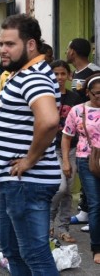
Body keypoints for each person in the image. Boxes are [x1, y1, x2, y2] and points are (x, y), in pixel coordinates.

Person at [0, 14, 61, 275]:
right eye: (1, 43)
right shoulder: (22, 73)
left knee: (34, 253)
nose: (3, 50)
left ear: (30, 45)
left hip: (28, 183)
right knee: (13, 250)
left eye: (10, 44)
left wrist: (29, 160)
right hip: (13, 182)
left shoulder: (34, 77)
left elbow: (50, 120)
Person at [61, 72, 100, 264]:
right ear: (88, 93)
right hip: (87, 160)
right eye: (96, 93)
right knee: (95, 204)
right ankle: (97, 248)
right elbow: (66, 137)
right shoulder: (77, 111)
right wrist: (67, 163)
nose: (99, 96)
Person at [65, 38, 100, 227]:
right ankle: (85, 211)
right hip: (81, 126)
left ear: (75, 51)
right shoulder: (76, 74)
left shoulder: (93, 71)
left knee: (93, 171)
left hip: (94, 130)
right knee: (86, 174)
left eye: (68, 49)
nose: (66, 52)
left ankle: (91, 213)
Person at [49, 60, 81, 243]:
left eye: (63, 74)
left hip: (72, 148)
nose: (59, 78)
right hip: (53, 148)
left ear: (69, 76)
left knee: (68, 190)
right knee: (59, 188)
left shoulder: (74, 98)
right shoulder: (48, 97)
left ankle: (63, 228)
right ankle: (47, 221)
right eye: (56, 74)